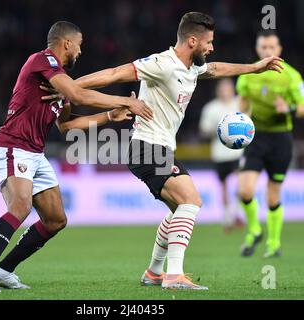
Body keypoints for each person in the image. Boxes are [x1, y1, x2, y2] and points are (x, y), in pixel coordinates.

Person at [45, 12, 283, 290]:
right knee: (191, 200)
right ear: (192, 40)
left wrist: (256, 68)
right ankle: (174, 275)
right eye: (209, 42)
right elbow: (113, 74)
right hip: (147, 147)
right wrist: (69, 87)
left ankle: (155, 272)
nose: (212, 48)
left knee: (177, 211)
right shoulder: (162, 64)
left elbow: (217, 68)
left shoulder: (192, 67)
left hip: (158, 148)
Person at [0, 20, 151, 293]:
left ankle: (3, 271)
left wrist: (111, 116)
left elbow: (67, 126)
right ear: (67, 43)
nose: (80, 51)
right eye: (79, 45)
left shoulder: (58, 83)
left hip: (35, 152)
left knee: (55, 220)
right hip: (13, 145)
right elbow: (77, 93)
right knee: (20, 207)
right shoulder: (42, 61)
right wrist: (126, 101)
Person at [236, 30, 304, 258]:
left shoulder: (292, 77)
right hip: (256, 137)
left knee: (272, 196)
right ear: (258, 50)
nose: (268, 51)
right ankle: (254, 229)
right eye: (264, 48)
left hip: (280, 139)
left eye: (272, 47)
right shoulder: (247, 75)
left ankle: (273, 243)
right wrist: (236, 121)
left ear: (279, 50)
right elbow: (243, 104)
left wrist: (290, 109)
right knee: (244, 190)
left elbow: (303, 107)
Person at [199, 78, 244, 232]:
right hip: (220, 154)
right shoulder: (211, 108)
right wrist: (219, 129)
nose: (226, 91)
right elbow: (204, 130)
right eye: (223, 88)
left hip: (239, 152)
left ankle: (237, 213)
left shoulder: (241, 103)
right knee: (223, 186)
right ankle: (227, 217)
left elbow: (250, 124)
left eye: (228, 87)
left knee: (241, 183)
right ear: (218, 90)